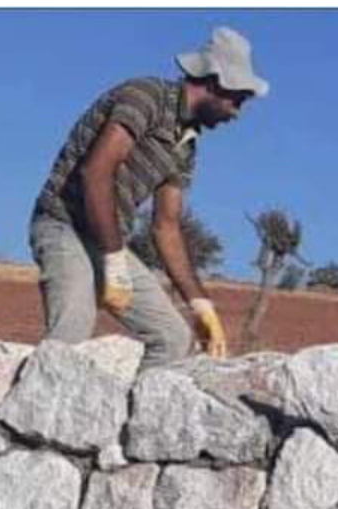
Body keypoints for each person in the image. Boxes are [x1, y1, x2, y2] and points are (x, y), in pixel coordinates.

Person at [28, 26, 269, 367]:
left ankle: (129, 419)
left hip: (106, 244)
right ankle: (23, 419)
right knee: (71, 332)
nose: (236, 112)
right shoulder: (146, 97)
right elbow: (96, 173)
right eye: (237, 99)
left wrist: (200, 304)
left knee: (173, 339)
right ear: (217, 83)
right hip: (63, 225)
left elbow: (166, 228)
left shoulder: (185, 146)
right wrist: (114, 260)